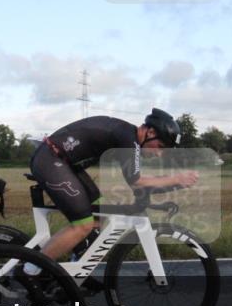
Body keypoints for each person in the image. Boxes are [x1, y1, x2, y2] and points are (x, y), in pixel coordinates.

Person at [20, 109, 198, 289]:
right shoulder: (128, 139)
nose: (159, 154)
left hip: (65, 163)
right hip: (51, 160)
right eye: (160, 147)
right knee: (83, 225)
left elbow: (137, 184)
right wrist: (177, 179)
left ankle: (77, 270)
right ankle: (29, 271)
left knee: (99, 212)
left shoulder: (129, 138)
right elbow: (137, 182)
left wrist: (168, 187)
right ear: (150, 132)